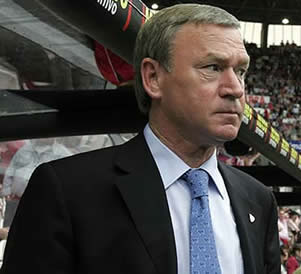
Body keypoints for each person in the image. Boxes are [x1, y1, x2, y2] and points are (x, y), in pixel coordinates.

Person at [1, 4, 280, 274]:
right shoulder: (65, 191)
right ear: (153, 77)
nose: (235, 88)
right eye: (212, 67)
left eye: (241, 71)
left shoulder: (258, 199)